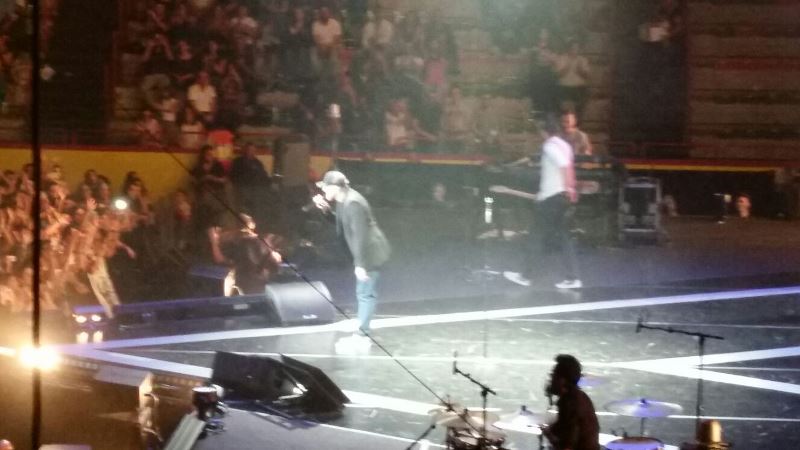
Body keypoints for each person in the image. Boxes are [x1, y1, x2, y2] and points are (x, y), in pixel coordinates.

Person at [503, 117, 581, 289]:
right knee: (563, 237)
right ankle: (573, 278)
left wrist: (567, 188)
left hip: (552, 198)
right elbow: (568, 168)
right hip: (560, 197)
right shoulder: (565, 145)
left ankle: (525, 276)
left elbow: (563, 165)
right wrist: (571, 189)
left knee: (536, 236)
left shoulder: (549, 146)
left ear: (544, 131)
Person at [312, 171, 390, 340]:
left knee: (365, 293)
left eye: (326, 187)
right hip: (365, 252)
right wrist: (326, 211)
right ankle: (362, 331)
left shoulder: (353, 202)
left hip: (370, 253)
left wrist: (360, 265)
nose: (323, 190)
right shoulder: (343, 200)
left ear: (335, 187)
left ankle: (362, 334)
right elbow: (343, 224)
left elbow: (361, 235)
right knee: (363, 292)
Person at [541, 354, 600, 450]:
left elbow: (568, 446)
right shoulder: (580, 397)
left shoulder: (570, 403)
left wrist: (548, 434)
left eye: (554, 375)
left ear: (563, 380)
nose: (551, 380)